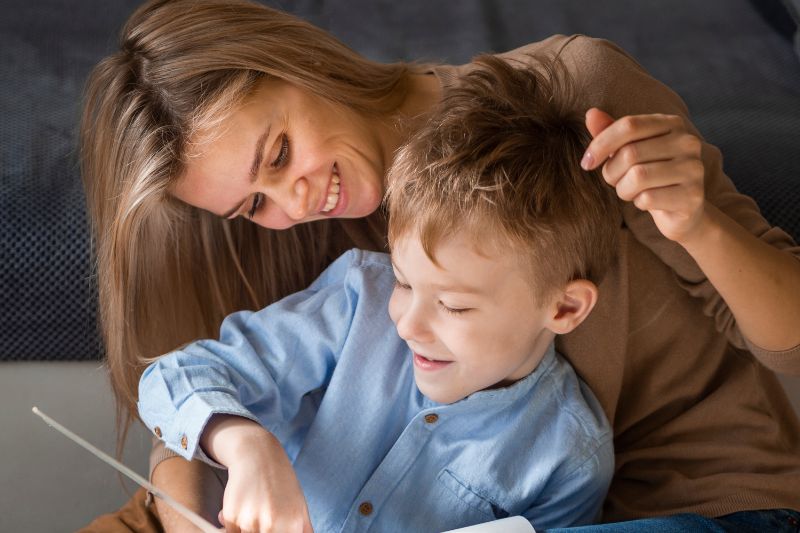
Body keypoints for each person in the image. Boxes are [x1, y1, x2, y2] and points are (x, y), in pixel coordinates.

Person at [79, 0, 800, 531]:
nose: (294, 201)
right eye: (251, 204)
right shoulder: (302, 238)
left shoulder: (568, 99)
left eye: (279, 153)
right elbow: (201, 390)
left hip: (699, 500)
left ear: (302, 65)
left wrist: (698, 222)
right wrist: (198, 506)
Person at [137, 56, 617, 532]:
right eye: (404, 282)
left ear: (565, 307)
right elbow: (173, 377)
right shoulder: (360, 301)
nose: (407, 324)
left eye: (452, 305)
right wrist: (246, 445)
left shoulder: (570, 460)